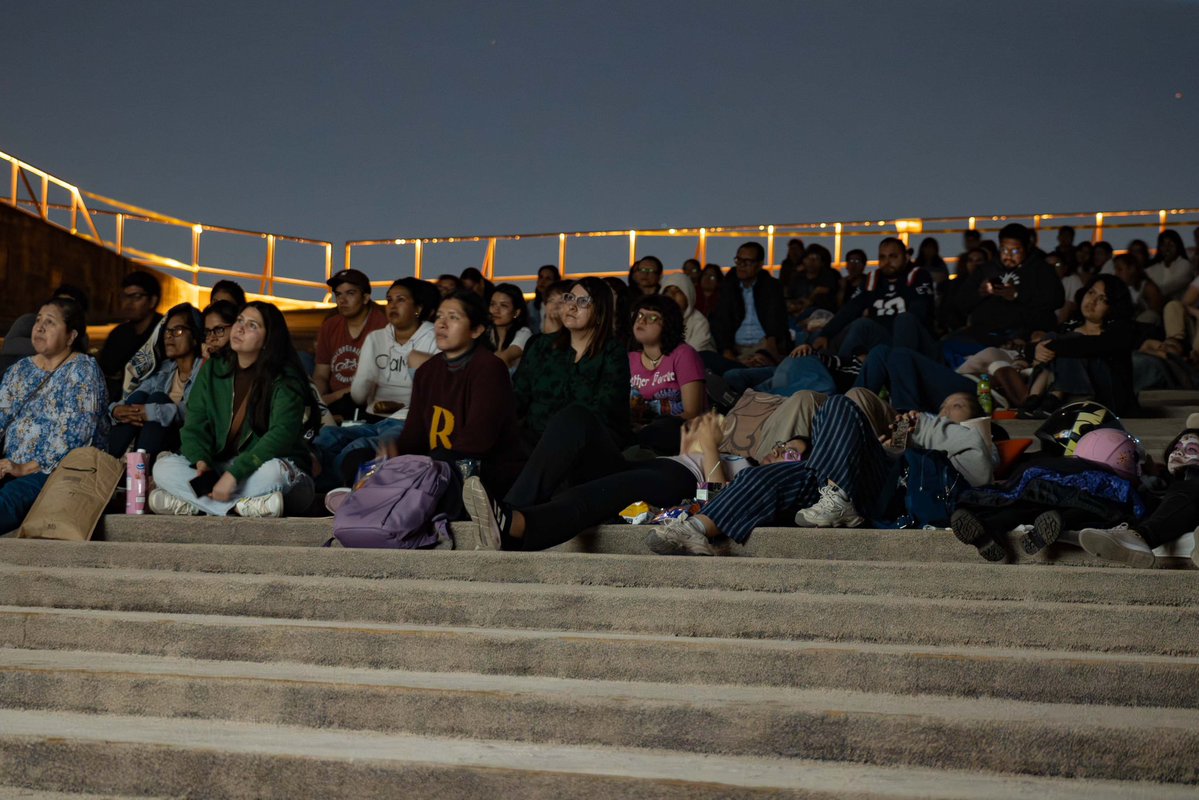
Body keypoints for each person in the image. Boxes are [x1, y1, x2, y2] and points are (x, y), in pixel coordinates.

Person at [646, 393, 993, 555]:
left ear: (973, 417)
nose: (946, 407)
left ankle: (839, 498)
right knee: (766, 477)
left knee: (842, 406)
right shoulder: (908, 440)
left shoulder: (968, 444)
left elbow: (978, 462)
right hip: (855, 490)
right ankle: (696, 529)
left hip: (890, 495)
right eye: (943, 403)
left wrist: (927, 427)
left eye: (956, 405)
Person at [150, 302, 319, 518]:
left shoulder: (286, 379)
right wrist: (202, 462)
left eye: (252, 325)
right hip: (221, 469)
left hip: (271, 470)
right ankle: (243, 507)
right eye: (240, 321)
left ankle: (195, 505)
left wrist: (234, 474)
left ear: (268, 340)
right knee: (163, 468)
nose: (240, 328)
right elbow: (193, 427)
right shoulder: (212, 369)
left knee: (274, 473)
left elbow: (280, 437)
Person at [384, 291, 525, 501]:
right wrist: (393, 453)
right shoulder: (427, 371)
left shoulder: (490, 368)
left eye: (453, 317)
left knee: (438, 467)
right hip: (435, 467)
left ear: (476, 330)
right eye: (440, 316)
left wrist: (424, 467)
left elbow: (478, 440)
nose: (441, 324)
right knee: (361, 459)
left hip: (481, 471)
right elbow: (414, 435)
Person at [313, 278, 440, 487]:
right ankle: (318, 483)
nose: (392, 305)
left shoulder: (433, 339)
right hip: (374, 417)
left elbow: (432, 393)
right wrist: (366, 382)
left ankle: (337, 488)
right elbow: (359, 394)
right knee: (329, 435)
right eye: (389, 300)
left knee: (362, 446)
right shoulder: (376, 338)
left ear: (418, 308)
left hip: (408, 420)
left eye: (401, 300)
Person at [0, 296, 108, 534]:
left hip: (52, 473)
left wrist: (24, 468)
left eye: (50, 322)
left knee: (7, 501)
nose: (39, 327)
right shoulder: (19, 370)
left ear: (71, 336)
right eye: (38, 320)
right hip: (10, 467)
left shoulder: (83, 370)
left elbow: (77, 437)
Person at [512, 276, 630, 446]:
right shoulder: (541, 345)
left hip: (587, 442)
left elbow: (606, 411)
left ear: (600, 312)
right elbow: (519, 397)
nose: (572, 306)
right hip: (535, 438)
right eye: (569, 298)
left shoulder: (612, 352)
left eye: (583, 301)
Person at [1078, 413, 1199, 567]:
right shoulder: (1163, 484)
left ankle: (1138, 538)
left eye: (1192, 449)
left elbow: (1194, 420)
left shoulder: (1189, 485)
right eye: (1176, 447)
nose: (1178, 452)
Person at [1023, 274, 1139, 418]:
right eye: (1091, 292)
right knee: (1056, 339)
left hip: (1106, 400)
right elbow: (1032, 348)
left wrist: (1052, 346)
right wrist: (1036, 349)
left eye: (1102, 299)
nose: (1093, 301)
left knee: (1071, 344)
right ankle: (1036, 399)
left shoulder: (1119, 329)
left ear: (1112, 306)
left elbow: (1093, 345)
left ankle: (1053, 397)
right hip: (1065, 398)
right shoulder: (1068, 327)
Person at [803, 237, 937, 361]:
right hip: (882, 338)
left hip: (911, 341)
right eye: (882, 257)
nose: (887, 262)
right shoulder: (873, 279)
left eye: (893, 256)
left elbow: (920, 312)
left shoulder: (917, 275)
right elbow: (850, 309)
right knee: (847, 328)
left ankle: (847, 372)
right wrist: (826, 333)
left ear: (906, 257)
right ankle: (837, 370)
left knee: (896, 321)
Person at [946, 222, 1064, 352]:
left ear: (1027, 247)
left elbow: (1056, 299)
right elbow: (960, 302)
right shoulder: (987, 269)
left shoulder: (1041, 269)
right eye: (1004, 249)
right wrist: (980, 293)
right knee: (949, 346)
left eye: (1015, 251)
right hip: (985, 333)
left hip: (1025, 334)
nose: (1008, 255)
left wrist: (1017, 295)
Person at [107, 303, 204, 459]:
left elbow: (195, 414)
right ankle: (109, 461)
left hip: (185, 442)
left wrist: (152, 412)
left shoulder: (205, 370)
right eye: (166, 331)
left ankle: (138, 470)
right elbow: (136, 397)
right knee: (138, 399)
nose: (169, 336)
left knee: (158, 399)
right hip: (153, 441)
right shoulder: (164, 370)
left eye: (178, 331)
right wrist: (116, 411)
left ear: (194, 337)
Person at [628, 294, 706, 454]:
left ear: (668, 325)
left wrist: (647, 427)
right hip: (640, 428)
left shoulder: (683, 354)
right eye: (640, 315)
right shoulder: (629, 358)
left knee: (660, 430)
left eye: (652, 318)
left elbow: (692, 412)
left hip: (680, 429)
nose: (641, 321)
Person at [313, 269, 388, 420]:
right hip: (332, 402)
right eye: (338, 294)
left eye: (350, 293)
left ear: (366, 298)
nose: (342, 300)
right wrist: (318, 401)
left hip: (367, 401)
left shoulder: (382, 325)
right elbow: (321, 373)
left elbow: (378, 380)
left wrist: (332, 397)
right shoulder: (331, 325)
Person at [709, 242, 790, 370]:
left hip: (764, 346)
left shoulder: (771, 287)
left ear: (759, 265)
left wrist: (771, 345)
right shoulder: (728, 288)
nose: (741, 266)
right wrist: (726, 350)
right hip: (736, 349)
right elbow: (720, 321)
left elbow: (777, 318)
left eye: (747, 262)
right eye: (739, 260)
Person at [0, 284, 89, 381]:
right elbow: (8, 346)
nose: (40, 328)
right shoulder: (27, 322)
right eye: (57, 302)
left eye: (67, 304)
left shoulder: (81, 370)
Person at [97, 271, 163, 401]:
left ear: (153, 301)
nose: (128, 303)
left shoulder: (165, 332)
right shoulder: (118, 335)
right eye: (124, 297)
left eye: (136, 297)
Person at [660, 273, 715, 353]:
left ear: (688, 295)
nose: (671, 295)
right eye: (667, 291)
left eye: (677, 291)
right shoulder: (656, 319)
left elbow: (691, 353)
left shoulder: (699, 322)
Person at [785, 244, 840, 322]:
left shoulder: (828, 277)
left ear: (822, 263)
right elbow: (789, 297)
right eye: (809, 258)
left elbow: (828, 304)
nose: (811, 262)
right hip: (795, 315)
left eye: (816, 259)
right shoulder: (797, 277)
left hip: (817, 318)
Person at [487, 283, 533, 370]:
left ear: (516, 312)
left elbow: (504, 358)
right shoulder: (487, 332)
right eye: (492, 304)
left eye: (503, 305)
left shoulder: (524, 333)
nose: (496, 310)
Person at [1146, 229, 1195, 302]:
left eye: (1171, 244)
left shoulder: (1185, 265)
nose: (1167, 249)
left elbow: (1170, 287)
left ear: (1178, 246)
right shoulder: (1151, 269)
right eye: (1163, 245)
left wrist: (1153, 293)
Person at [526, 265, 560, 333]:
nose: (542, 281)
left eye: (548, 279)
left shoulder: (560, 306)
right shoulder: (531, 306)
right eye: (540, 277)